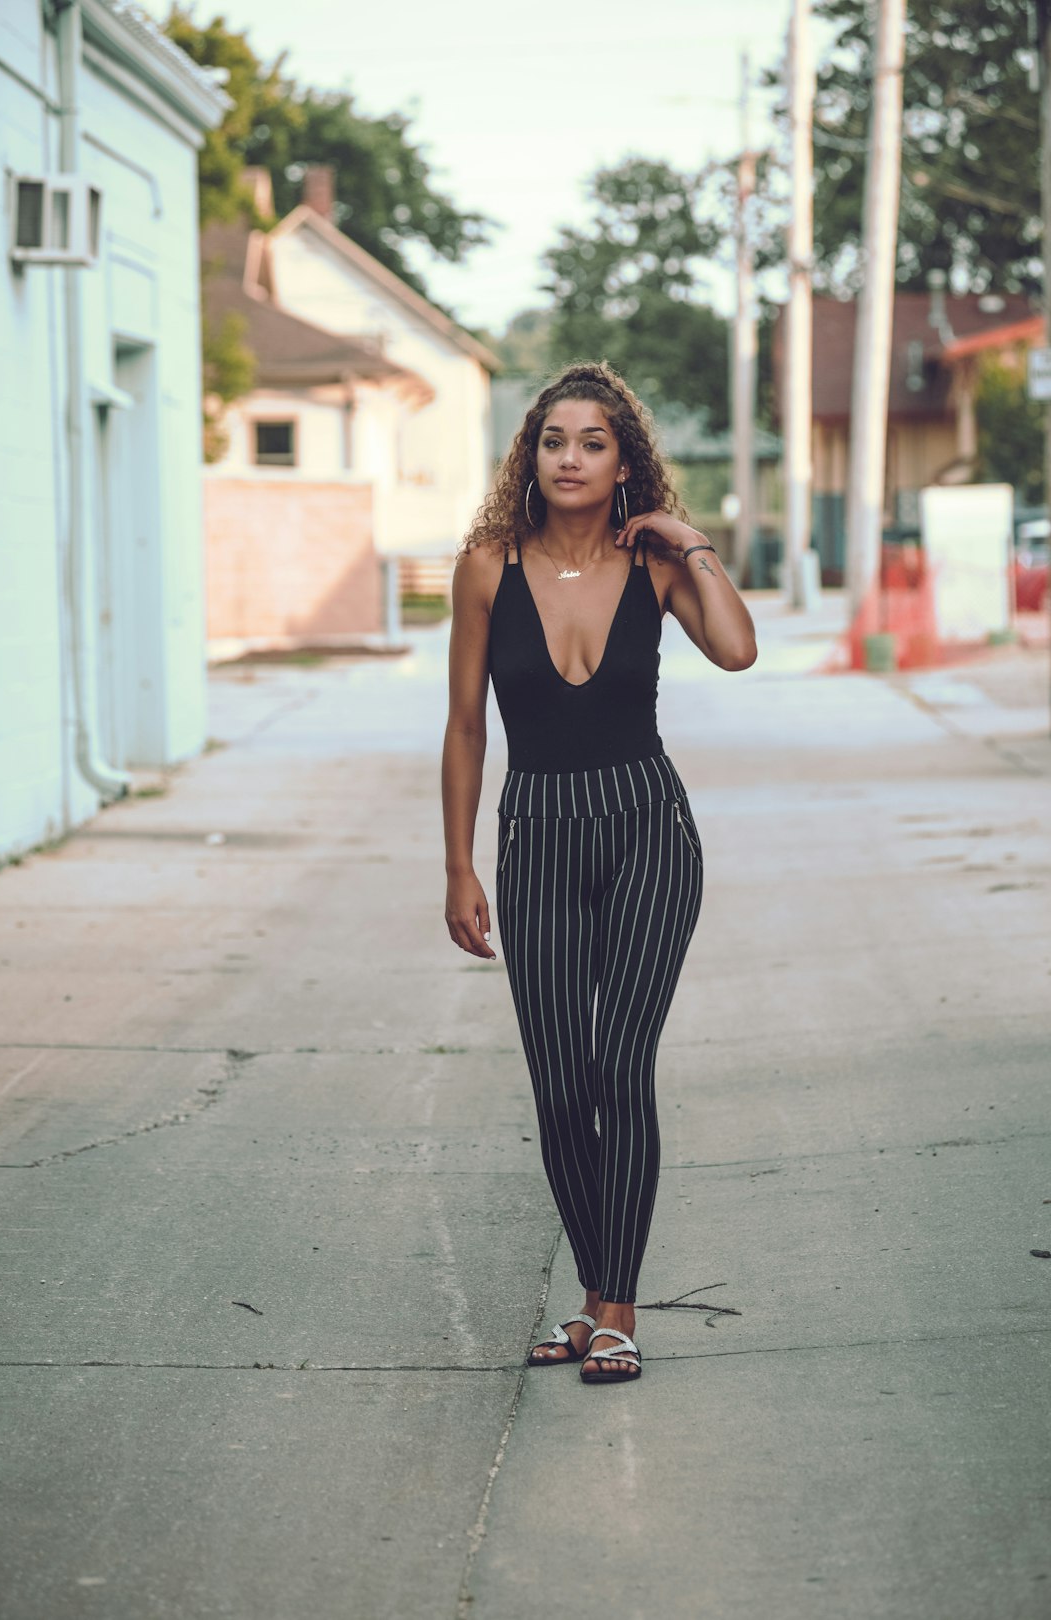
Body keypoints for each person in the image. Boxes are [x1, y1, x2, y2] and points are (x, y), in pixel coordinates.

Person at [442, 361, 757, 1385]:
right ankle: (593, 1300)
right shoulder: (488, 565)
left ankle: (614, 1308)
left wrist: (690, 541)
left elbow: (740, 653)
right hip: (536, 833)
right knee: (558, 1082)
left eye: (593, 442)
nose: (570, 458)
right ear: (527, 455)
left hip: (649, 831)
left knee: (619, 1065)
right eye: (553, 440)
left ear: (625, 463)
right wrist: (458, 865)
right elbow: (463, 727)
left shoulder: (658, 568)